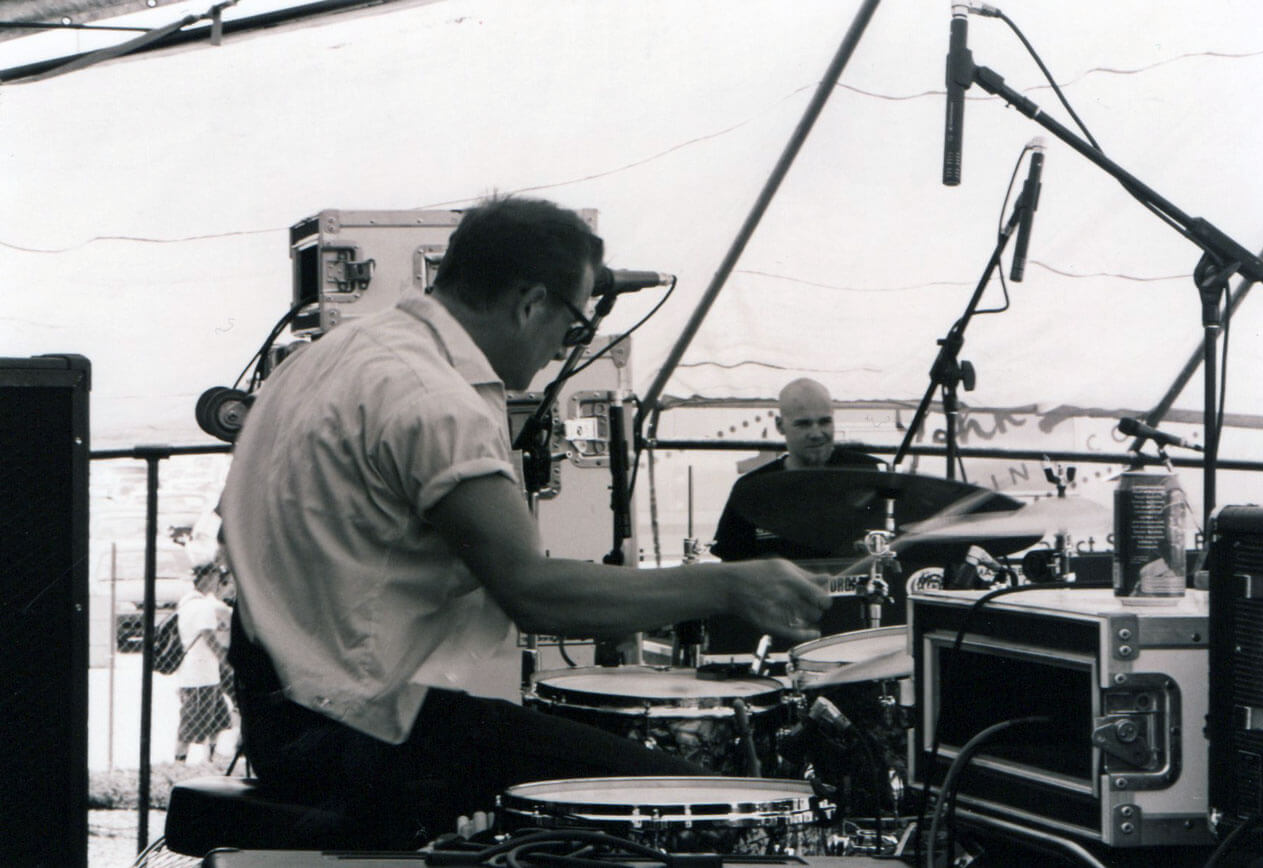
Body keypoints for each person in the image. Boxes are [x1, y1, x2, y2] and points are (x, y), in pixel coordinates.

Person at [218, 196, 830, 842]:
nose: (565, 347)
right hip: (358, 733)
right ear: (530, 304)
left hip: (280, 716)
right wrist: (728, 585)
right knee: (700, 811)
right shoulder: (433, 401)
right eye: (573, 324)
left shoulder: (330, 357)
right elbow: (533, 594)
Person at [710, 377, 884, 562]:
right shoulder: (751, 489)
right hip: (778, 582)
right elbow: (732, 565)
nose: (816, 434)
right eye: (803, 424)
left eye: (824, 422)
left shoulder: (869, 474)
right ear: (780, 426)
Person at [174, 562, 234, 764]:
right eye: (216, 576)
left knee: (219, 718)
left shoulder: (187, 602)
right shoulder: (203, 607)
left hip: (206, 673)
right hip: (200, 675)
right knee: (191, 723)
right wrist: (226, 660)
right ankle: (179, 762)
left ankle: (211, 760)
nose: (217, 582)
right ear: (207, 577)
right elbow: (209, 636)